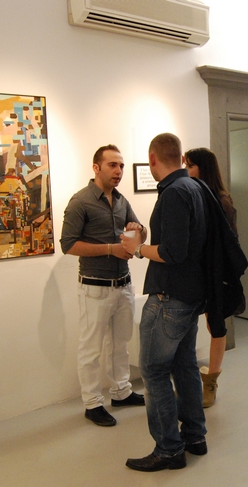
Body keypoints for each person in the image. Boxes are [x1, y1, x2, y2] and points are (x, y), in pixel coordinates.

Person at [121, 133, 208, 472]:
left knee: (154, 371)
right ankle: (194, 436)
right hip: (189, 296)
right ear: (181, 157)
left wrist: (137, 249)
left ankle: (169, 449)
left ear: (153, 159)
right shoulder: (194, 187)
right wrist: (145, 239)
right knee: (185, 366)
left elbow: (172, 252)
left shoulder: (173, 193)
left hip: (169, 297)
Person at [60, 144, 147, 427]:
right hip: (94, 287)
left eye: (121, 165)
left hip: (123, 284)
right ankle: (92, 403)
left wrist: (139, 230)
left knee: (120, 344)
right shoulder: (81, 201)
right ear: (96, 168)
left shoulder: (121, 201)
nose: (118, 171)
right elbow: (68, 245)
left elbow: (141, 231)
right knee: (91, 349)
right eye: (112, 165)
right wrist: (111, 249)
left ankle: (121, 391)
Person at [184, 147, 237, 408]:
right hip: (194, 272)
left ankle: (211, 383)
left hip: (214, 273)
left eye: (190, 166)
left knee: (215, 325)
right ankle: (190, 379)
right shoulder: (191, 196)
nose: (186, 171)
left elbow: (230, 242)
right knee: (191, 324)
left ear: (202, 168)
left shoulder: (222, 201)